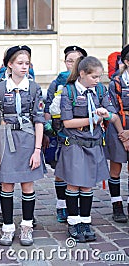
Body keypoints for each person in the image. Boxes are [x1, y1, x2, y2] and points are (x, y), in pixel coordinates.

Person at [54, 56, 124, 242]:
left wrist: (105, 114)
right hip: (75, 142)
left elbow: (111, 111)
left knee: (87, 184)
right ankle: (73, 222)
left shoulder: (99, 90)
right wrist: (93, 120)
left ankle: (85, 221)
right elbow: (68, 122)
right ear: (82, 74)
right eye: (94, 77)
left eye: (100, 77)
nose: (98, 81)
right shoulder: (69, 91)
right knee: (73, 183)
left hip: (93, 142)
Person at [0, 45, 44, 247]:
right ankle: (8, 227)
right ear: (9, 65)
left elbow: (39, 120)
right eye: (20, 63)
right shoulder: (0, 88)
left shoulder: (35, 88)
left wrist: (37, 150)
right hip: (6, 140)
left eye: (27, 63)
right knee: (7, 184)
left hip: (28, 140)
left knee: (28, 184)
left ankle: (27, 226)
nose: (24, 67)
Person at [44, 45, 87, 223]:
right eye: (70, 61)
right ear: (65, 63)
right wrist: (48, 131)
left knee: (82, 168)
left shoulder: (91, 83)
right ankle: (62, 205)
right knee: (61, 169)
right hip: (61, 132)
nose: (73, 65)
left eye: (77, 61)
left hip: (84, 134)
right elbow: (47, 106)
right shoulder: (58, 82)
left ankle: (77, 205)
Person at [105, 45, 129, 223]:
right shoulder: (116, 83)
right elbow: (112, 109)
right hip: (118, 125)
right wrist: (123, 133)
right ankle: (117, 205)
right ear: (126, 62)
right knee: (116, 167)